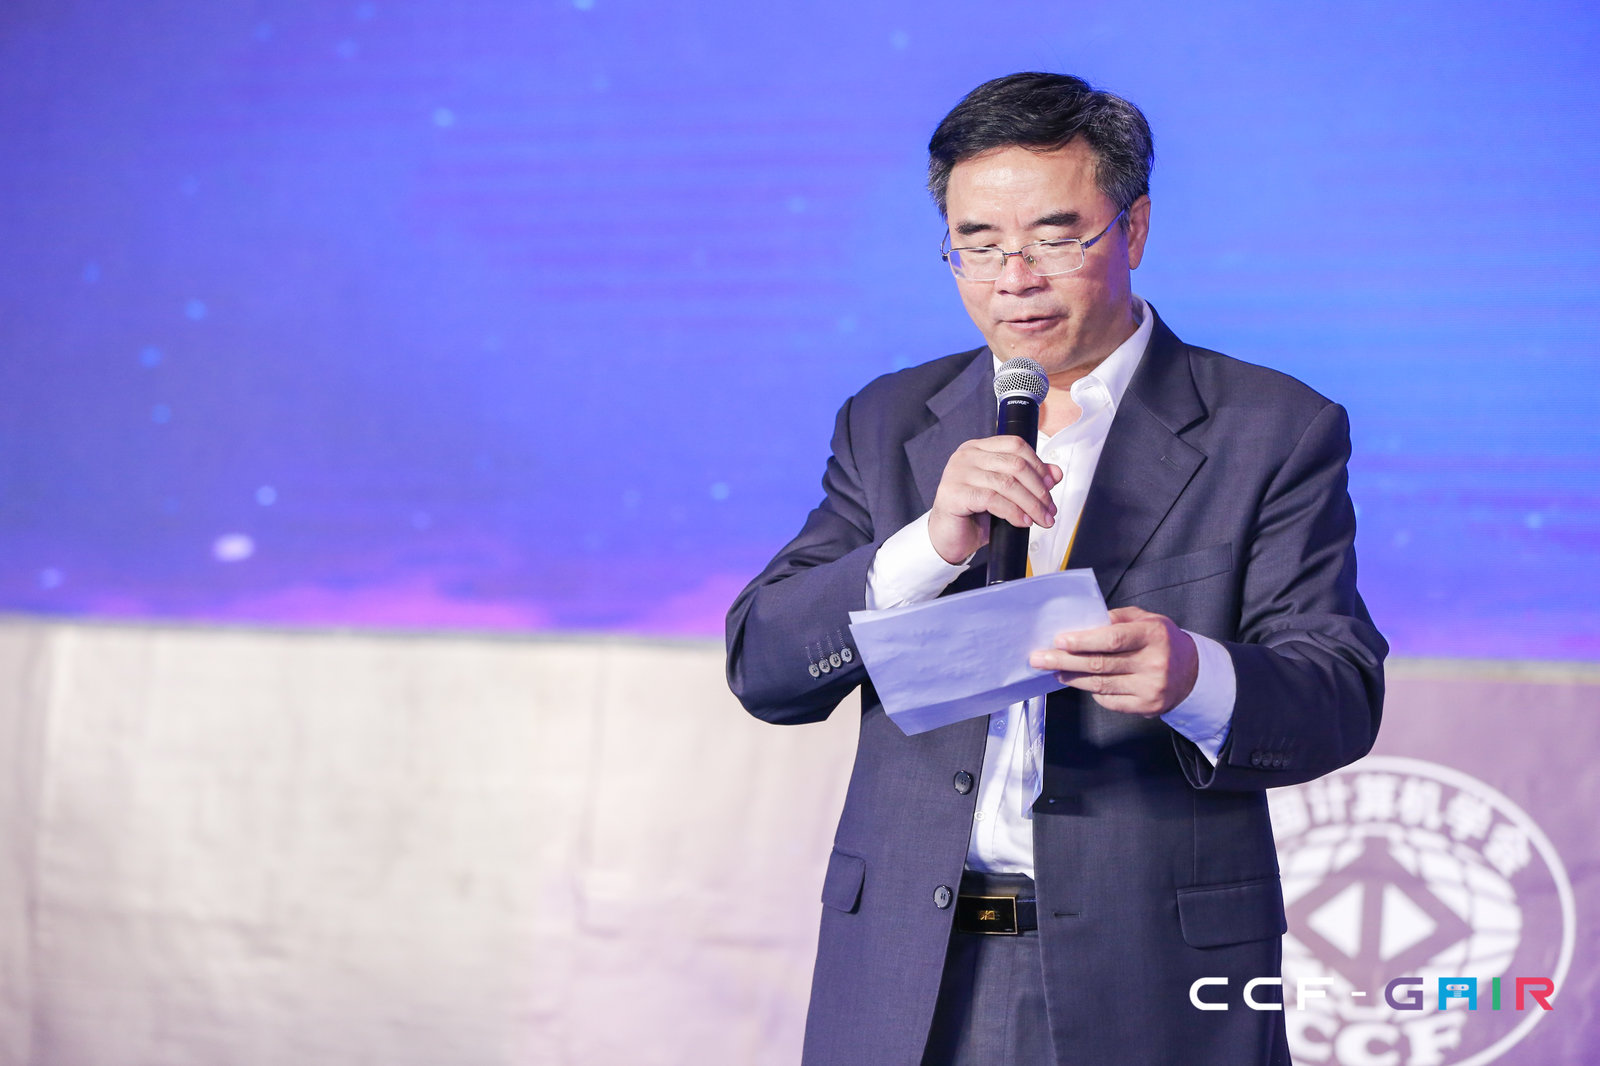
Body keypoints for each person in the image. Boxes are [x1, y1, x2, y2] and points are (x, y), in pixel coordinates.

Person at [724, 72, 1386, 1066]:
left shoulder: (1271, 428)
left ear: (1133, 228)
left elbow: (1338, 691)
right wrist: (927, 547)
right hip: (903, 969)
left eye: (1052, 238)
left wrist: (1194, 676)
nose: (1014, 277)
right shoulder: (890, 421)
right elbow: (765, 665)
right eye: (978, 243)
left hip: (1148, 977)